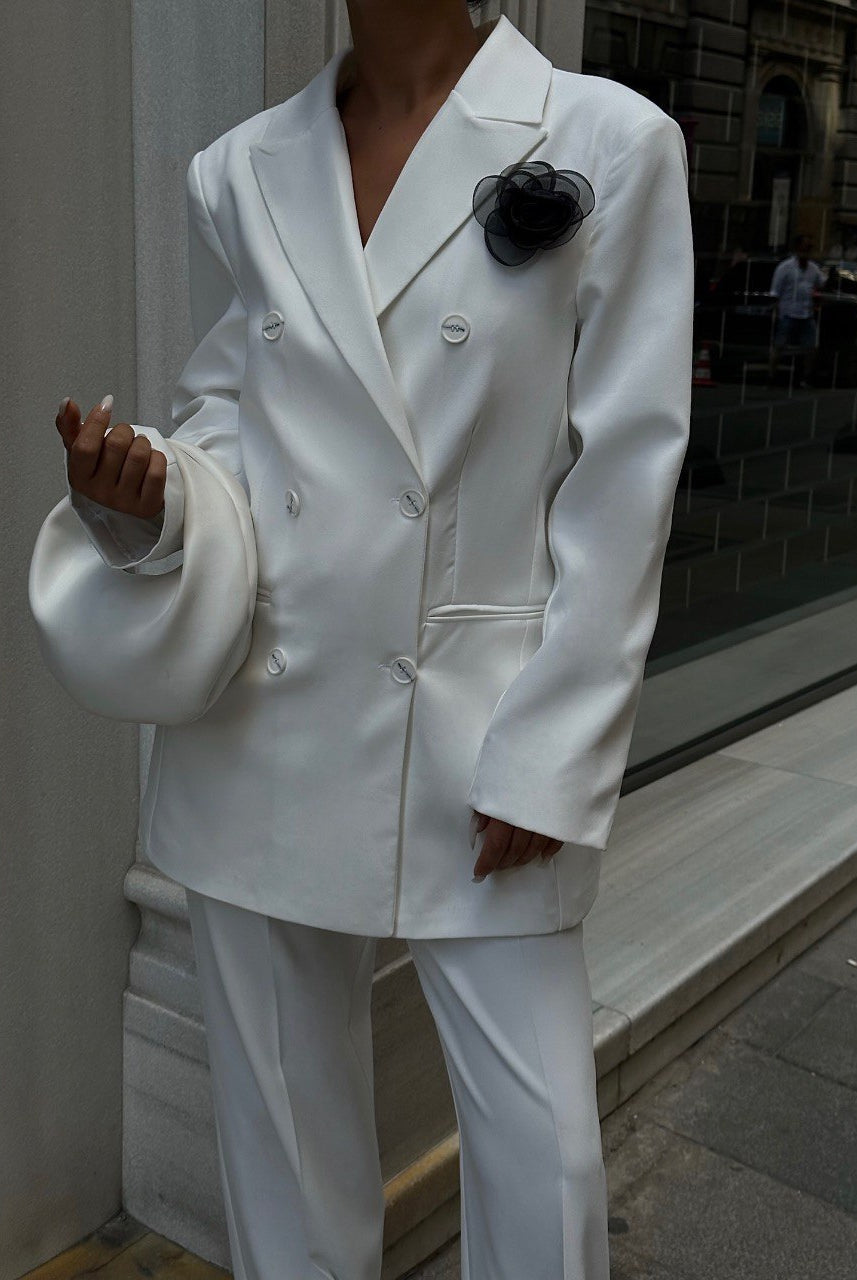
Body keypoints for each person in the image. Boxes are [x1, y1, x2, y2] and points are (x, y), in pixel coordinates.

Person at [46, 0, 694, 1275]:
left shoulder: (608, 140)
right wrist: (151, 498)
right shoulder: (243, 168)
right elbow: (232, 424)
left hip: (483, 727)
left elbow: (623, 476)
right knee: (282, 1157)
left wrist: (556, 750)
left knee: (544, 1157)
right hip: (261, 719)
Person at [769, 232, 827, 387]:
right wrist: (776, 311)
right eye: (804, 247)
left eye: (809, 248)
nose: (807, 252)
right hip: (787, 313)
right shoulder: (785, 267)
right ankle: (772, 376)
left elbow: (822, 283)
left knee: (811, 348)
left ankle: (806, 377)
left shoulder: (813, 268)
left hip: (806, 313)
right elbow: (775, 292)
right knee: (779, 346)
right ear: (797, 249)